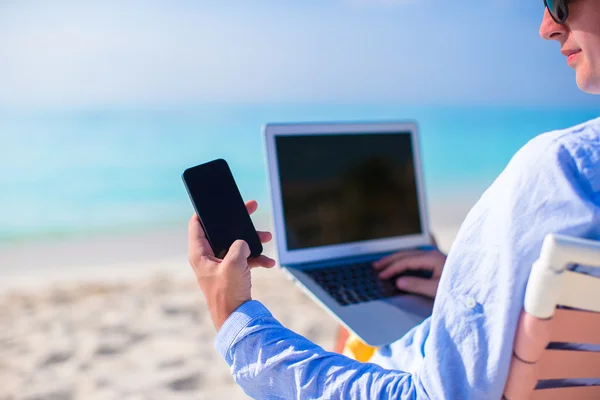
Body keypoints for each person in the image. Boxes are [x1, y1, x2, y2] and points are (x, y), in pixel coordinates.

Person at [187, 1, 600, 398]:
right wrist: (467, 280)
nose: (548, 26)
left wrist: (235, 318)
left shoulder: (563, 170)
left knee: (352, 333)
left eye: (561, 1)